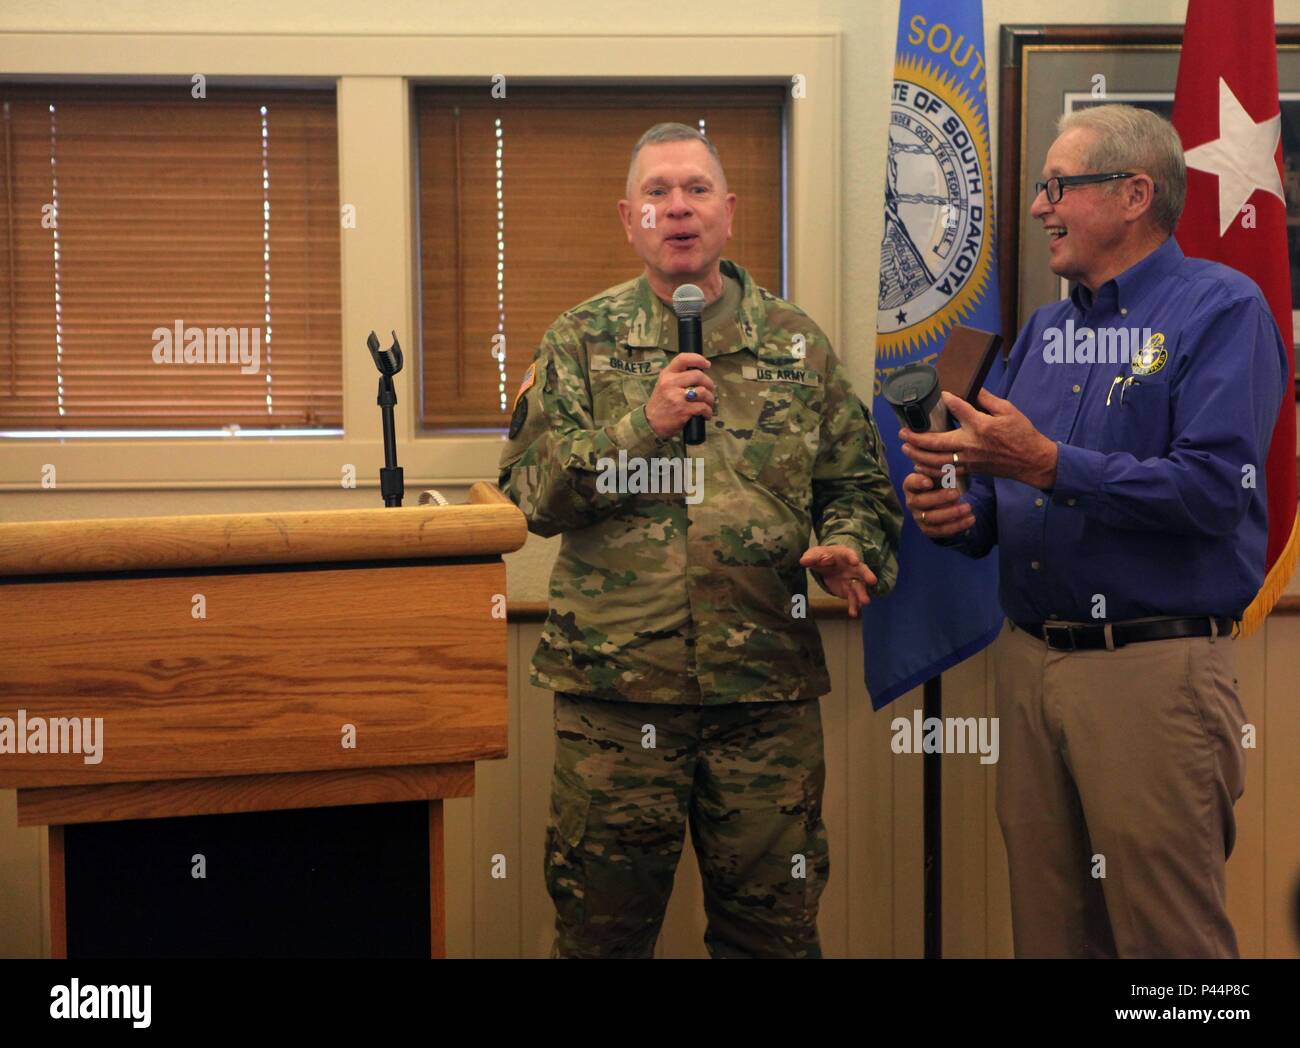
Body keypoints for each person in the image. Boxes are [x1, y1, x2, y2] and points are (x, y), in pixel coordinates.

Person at [499, 122, 902, 958]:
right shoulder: (578, 341)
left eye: (695, 190)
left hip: (763, 697)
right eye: (657, 193)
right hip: (615, 697)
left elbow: (855, 484)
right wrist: (641, 425)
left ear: (729, 209)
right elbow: (528, 498)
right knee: (599, 939)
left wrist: (849, 545)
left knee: (774, 939)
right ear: (628, 217)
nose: (676, 208)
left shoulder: (797, 344)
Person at [899, 104, 1289, 958]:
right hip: (1033, 663)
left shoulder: (1222, 310)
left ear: (1132, 194)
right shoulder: (1047, 329)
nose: (1041, 207)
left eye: (1057, 187)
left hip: (1150, 671)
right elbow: (1015, 494)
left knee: (1165, 944)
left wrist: (1045, 465)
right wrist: (962, 512)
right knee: (1052, 933)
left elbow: (1215, 492)